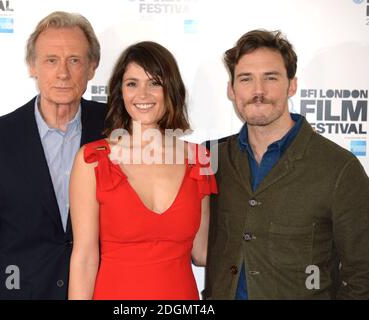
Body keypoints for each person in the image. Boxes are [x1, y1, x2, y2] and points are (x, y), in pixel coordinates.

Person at [204, 29, 369, 299]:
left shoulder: (339, 168)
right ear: (231, 90)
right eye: (246, 79)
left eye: (271, 77)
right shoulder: (212, 160)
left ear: (292, 85)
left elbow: (363, 274)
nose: (258, 91)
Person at [0, 11, 106, 299]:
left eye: (74, 61)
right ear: (32, 66)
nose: (63, 73)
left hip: (99, 290)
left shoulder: (114, 129)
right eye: (51, 60)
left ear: (92, 68)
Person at [68, 41, 217, 300]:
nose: (143, 94)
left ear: (170, 90)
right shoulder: (93, 161)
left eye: (154, 83)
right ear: (120, 91)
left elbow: (202, 251)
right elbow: (84, 259)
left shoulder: (199, 160)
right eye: (132, 83)